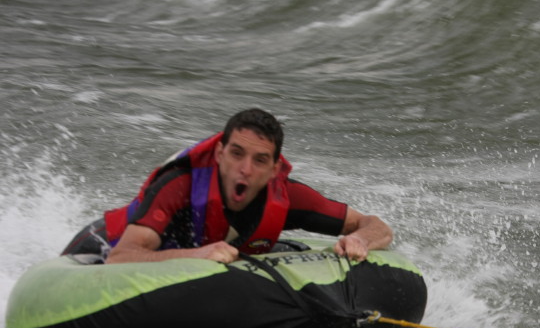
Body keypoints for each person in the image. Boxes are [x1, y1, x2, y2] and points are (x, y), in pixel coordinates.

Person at [62, 108, 392, 263]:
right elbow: (123, 256)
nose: (245, 170)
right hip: (103, 244)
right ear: (219, 154)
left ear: (275, 169)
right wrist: (197, 255)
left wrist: (359, 240)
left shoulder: (287, 196)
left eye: (260, 160)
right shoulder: (179, 186)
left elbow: (375, 226)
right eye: (236, 154)